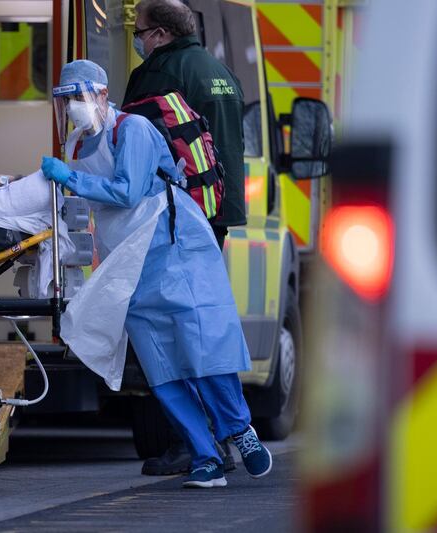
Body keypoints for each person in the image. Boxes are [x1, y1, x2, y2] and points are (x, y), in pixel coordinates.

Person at [42, 59, 271, 488]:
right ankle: (205, 457)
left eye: (79, 97)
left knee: (202, 348)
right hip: (129, 262)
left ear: (103, 95)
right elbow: (82, 209)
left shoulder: (132, 131)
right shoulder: (75, 145)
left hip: (175, 249)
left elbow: (128, 191)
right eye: (66, 99)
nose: (73, 107)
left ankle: (240, 430)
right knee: (161, 367)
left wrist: (69, 178)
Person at [123, 0, 248, 476]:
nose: (137, 40)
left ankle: (193, 443)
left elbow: (136, 142)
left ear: (159, 34)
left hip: (177, 219)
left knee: (173, 333)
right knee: (204, 327)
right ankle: (228, 437)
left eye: (140, 32)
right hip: (214, 215)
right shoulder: (217, 69)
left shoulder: (161, 73)